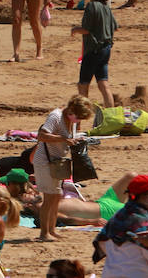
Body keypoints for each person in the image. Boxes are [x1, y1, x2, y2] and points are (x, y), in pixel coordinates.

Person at [31, 95, 94, 240]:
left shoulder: (69, 119)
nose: (78, 121)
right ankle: (44, 233)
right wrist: (64, 139)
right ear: (72, 110)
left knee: (56, 198)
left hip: (57, 162)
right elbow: (42, 135)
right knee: (48, 198)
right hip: (45, 161)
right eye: (78, 117)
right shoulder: (56, 116)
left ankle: (51, 230)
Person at [95, 174, 148, 278]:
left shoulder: (117, 217)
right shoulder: (143, 221)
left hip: (110, 273)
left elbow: (102, 243)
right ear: (143, 196)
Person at [71, 0, 118, 108]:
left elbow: (86, 29)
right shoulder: (106, 7)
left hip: (93, 50)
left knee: (83, 85)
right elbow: (115, 26)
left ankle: (80, 118)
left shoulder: (92, 6)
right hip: (106, 49)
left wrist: (75, 29)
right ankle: (110, 115)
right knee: (103, 83)